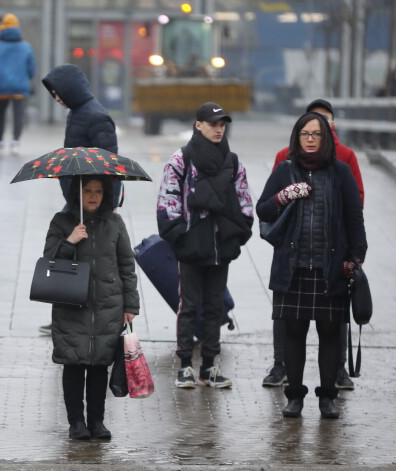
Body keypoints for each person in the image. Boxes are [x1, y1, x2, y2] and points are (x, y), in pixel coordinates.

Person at [257, 111, 367, 419]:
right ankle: (294, 397)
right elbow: (263, 210)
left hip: (330, 268)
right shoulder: (284, 170)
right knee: (294, 333)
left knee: (330, 334)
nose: (309, 139)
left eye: (315, 134)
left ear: (325, 139)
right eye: (304, 134)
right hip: (292, 268)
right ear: (297, 137)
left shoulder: (340, 172)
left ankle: (327, 398)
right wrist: (284, 195)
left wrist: (357, 255)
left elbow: (354, 217)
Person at [156, 102, 253, 389]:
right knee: (188, 307)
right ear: (198, 125)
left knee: (215, 307)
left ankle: (209, 367)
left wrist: (238, 236)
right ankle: (185, 366)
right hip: (191, 246)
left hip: (220, 246)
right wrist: (180, 236)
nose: (219, 129)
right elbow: (167, 200)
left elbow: (245, 200)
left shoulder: (232, 162)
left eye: (222, 124)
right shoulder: (182, 159)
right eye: (213, 124)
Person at [43, 175, 139, 439]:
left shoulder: (115, 223)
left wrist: (130, 304)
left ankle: (97, 421)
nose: (93, 195)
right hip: (72, 306)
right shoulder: (62, 222)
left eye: (98, 191)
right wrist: (70, 241)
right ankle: (76, 422)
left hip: (108, 306)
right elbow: (48, 261)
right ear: (77, 193)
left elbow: (127, 267)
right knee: (73, 365)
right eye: (87, 190)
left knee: (99, 366)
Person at [39, 63, 124, 334]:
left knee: (85, 259)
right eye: (53, 94)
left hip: (90, 202)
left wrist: (104, 205)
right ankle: (67, 311)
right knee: (70, 256)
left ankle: (90, 313)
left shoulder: (96, 117)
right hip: (76, 200)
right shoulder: (78, 112)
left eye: (58, 92)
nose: (56, 98)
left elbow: (110, 166)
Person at [0, 13, 36, 155]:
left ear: (2, 27)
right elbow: (31, 68)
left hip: (0, 85)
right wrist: (27, 78)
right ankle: (15, 142)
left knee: (0, 114)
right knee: (18, 115)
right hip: (20, 87)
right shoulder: (26, 46)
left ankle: (0, 141)